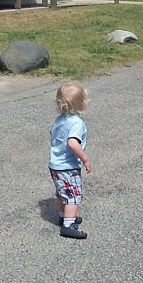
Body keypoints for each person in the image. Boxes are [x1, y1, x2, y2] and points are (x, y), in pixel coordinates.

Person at [48, 82, 92, 239]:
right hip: (67, 166)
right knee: (73, 195)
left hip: (55, 164)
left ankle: (64, 216)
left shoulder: (60, 119)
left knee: (62, 193)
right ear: (82, 104)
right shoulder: (76, 123)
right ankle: (68, 225)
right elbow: (72, 143)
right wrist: (85, 158)